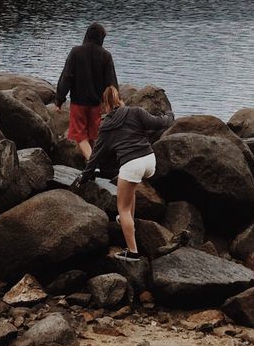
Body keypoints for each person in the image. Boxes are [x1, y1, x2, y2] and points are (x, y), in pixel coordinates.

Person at [80, 84, 173, 260]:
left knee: (121, 208)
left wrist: (85, 175)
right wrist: (169, 115)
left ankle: (132, 252)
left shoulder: (106, 125)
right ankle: (129, 222)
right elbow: (159, 123)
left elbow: (96, 155)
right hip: (149, 160)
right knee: (131, 191)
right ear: (120, 100)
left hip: (131, 165)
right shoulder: (135, 112)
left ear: (104, 106)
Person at [54, 21, 119, 160]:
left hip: (78, 102)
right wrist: (115, 105)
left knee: (80, 136)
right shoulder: (106, 56)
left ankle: (92, 163)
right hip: (96, 104)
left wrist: (59, 99)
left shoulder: (76, 52)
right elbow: (111, 83)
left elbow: (66, 77)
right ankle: (90, 166)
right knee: (91, 136)